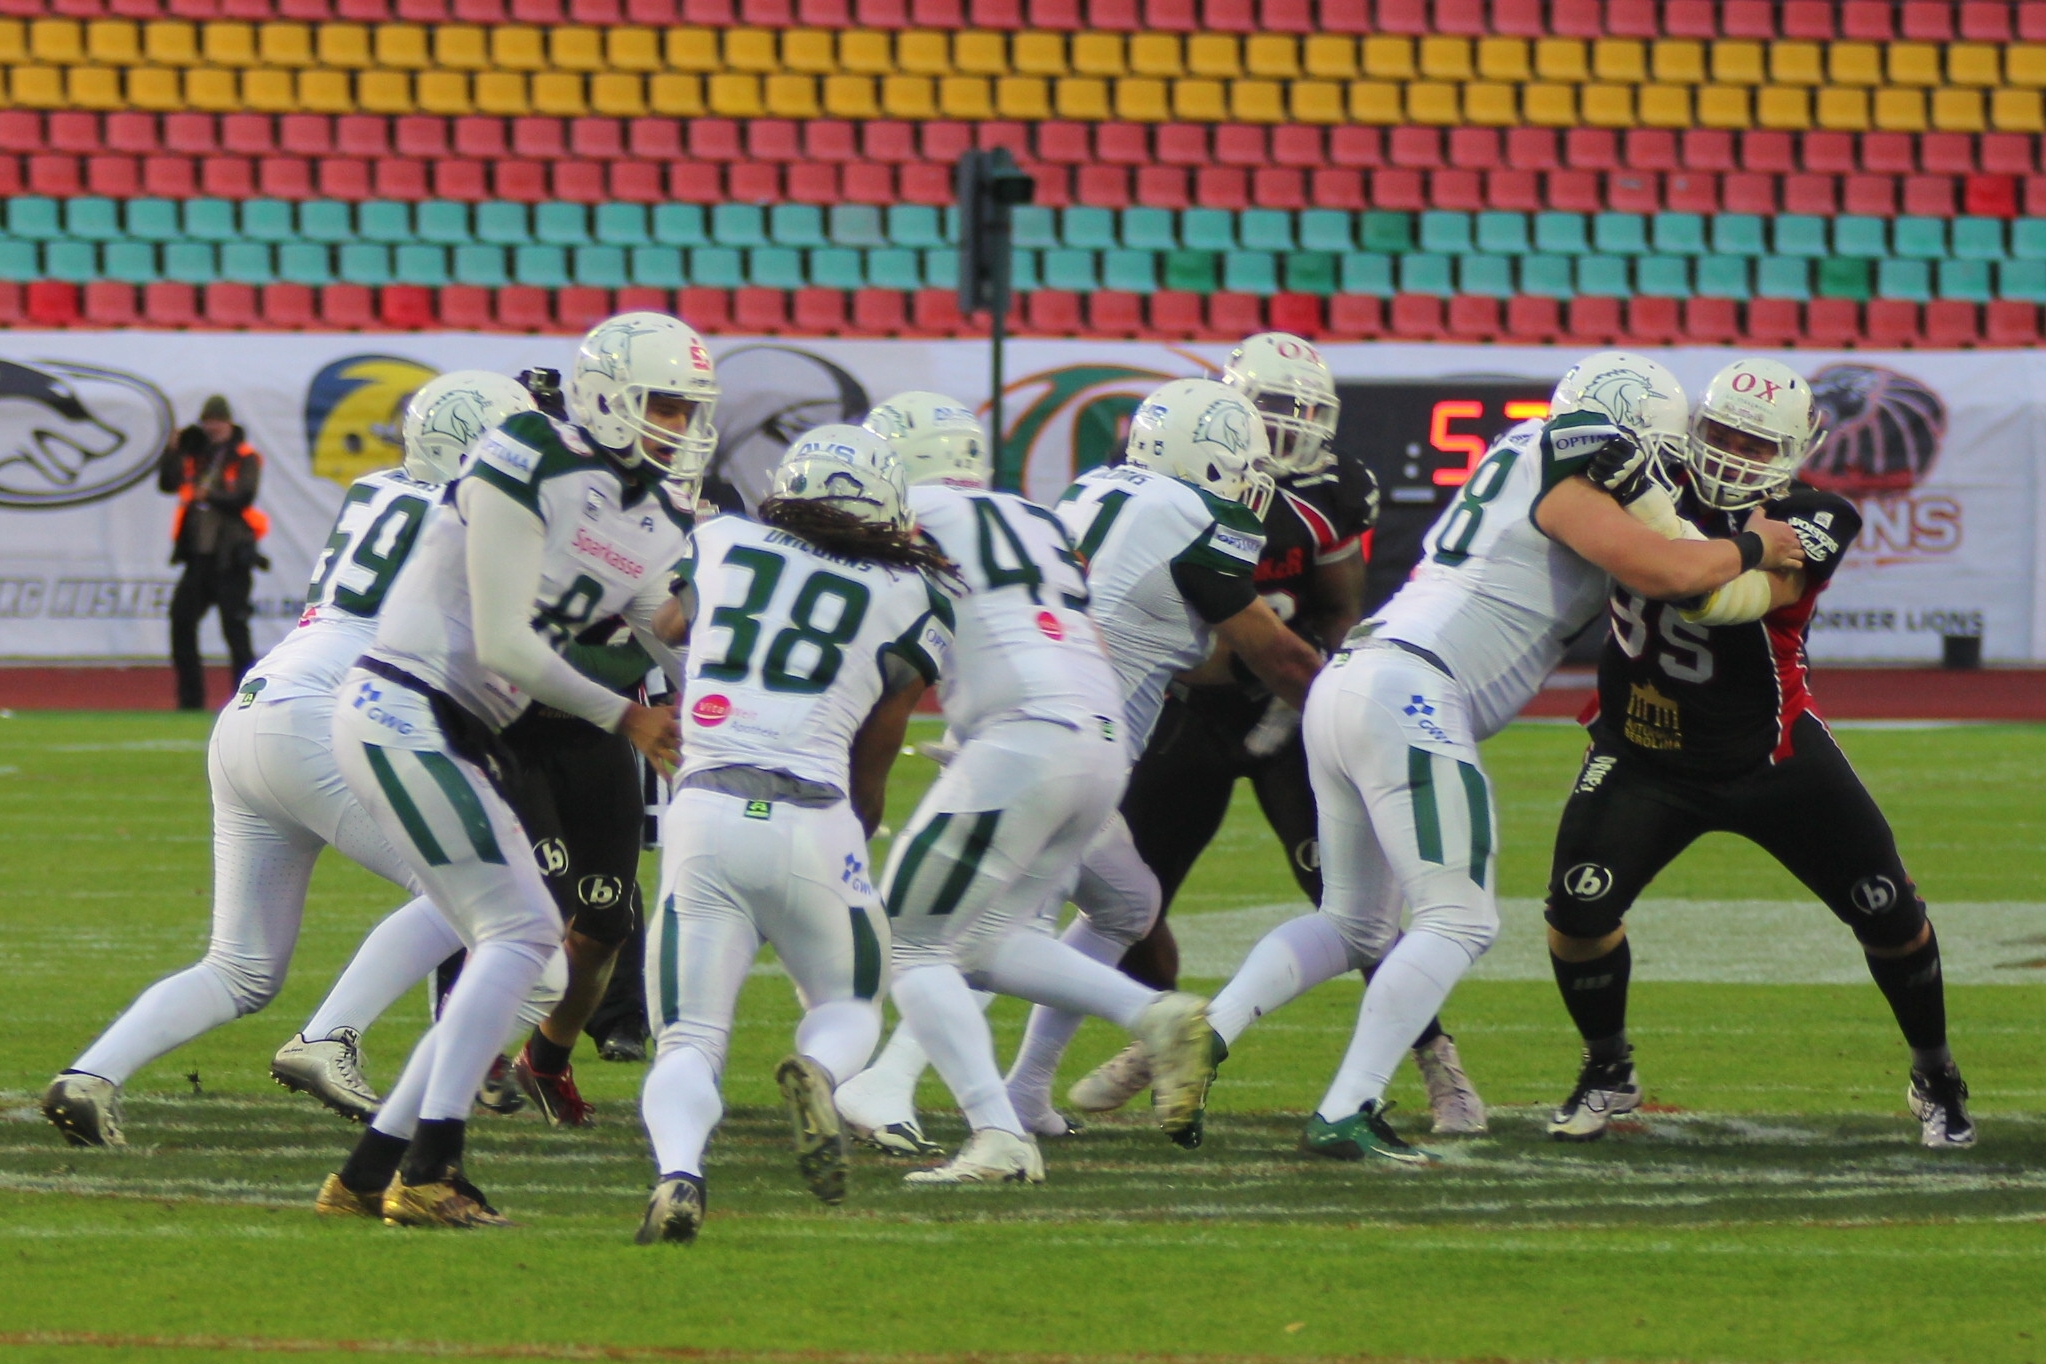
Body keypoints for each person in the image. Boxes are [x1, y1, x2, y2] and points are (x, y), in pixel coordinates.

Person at [1179, 352, 1805, 1163]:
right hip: (1412, 689)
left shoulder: (1526, 453)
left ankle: (1205, 1035)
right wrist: (1755, 546)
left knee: (1353, 923)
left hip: (1359, 680)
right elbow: (1670, 571)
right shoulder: (1569, 472)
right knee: (1461, 918)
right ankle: (1347, 1109)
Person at [42, 371, 540, 1149]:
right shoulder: (468, 516)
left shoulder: (377, 488)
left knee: (241, 969)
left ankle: (89, 1075)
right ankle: (330, 1036)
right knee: (472, 892)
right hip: (323, 716)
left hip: (256, 707)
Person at [311, 312, 701, 1229]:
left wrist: (735, 694)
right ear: (606, 395)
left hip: (468, 732)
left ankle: (368, 1173)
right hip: (405, 707)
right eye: (663, 405)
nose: (678, 426)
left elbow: (665, 629)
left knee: (521, 950)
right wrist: (629, 716)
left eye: (688, 410)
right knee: (524, 938)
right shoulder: (527, 451)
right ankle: (430, 1170)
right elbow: (504, 645)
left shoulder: (658, 510)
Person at [1543, 356, 1975, 1150]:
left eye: (1757, 443)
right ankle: (1608, 1066)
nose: (1734, 454)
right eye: (1722, 432)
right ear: (1693, 425)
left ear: (1796, 452)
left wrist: (1652, 505)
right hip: (1641, 750)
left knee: (1890, 914)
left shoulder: (1818, 514)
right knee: (1576, 912)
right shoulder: (1651, 475)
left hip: (1770, 753)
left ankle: (1935, 1072)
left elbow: (1715, 600)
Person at [1069, 334, 1484, 1138]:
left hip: (1291, 707)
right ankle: (1166, 1037)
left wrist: (1321, 695)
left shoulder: (1333, 492)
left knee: (1349, 906)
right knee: (1131, 901)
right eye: (1271, 407)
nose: (1287, 426)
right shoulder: (1169, 477)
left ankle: (1436, 1057)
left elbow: (1339, 610)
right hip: (1186, 708)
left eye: (1302, 410)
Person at [848, 392, 1224, 1185]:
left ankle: (987, 1129)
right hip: (1103, 741)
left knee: (909, 940)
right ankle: (1152, 1013)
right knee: (979, 942)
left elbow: (876, 645)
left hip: (1021, 737)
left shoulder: (912, 517)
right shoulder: (1032, 517)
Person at [634, 425, 956, 1244]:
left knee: (690, 1037)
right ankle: (819, 1070)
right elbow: (874, 761)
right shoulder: (914, 594)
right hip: (816, 813)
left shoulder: (722, 541)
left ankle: (679, 1174)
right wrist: (851, 845)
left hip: (705, 808)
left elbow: (667, 624)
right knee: (849, 1004)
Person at [986, 378, 1326, 1145]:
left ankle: (1023, 1091)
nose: (1252, 479)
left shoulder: (1091, 490)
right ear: (1203, 458)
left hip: (1035, 730)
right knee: (990, 940)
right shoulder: (1191, 517)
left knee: (1127, 904)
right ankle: (894, 1088)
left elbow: (1169, 643)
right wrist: (1352, 707)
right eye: (1242, 462)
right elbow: (1276, 657)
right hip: (1063, 748)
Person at [160, 394, 265, 711]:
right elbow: (167, 483)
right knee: (181, 621)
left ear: (228, 423)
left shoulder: (245, 456)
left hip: (230, 558)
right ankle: (190, 700)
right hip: (198, 556)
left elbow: (244, 497)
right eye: (208, 421)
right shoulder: (195, 453)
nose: (212, 427)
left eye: (217, 421)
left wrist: (210, 495)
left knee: (235, 630)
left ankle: (245, 702)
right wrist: (173, 450)